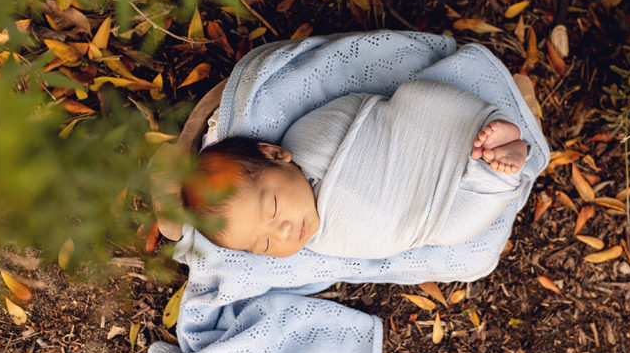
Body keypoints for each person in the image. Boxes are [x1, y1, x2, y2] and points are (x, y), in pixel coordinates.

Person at [171, 79, 530, 259]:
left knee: (415, 97)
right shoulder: (322, 245)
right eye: (263, 245)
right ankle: (497, 167)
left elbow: (362, 114)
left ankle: (490, 131)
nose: (281, 233)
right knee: (455, 230)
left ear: (275, 153)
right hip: (428, 214)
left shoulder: (306, 137)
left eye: (273, 208)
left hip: (420, 144)